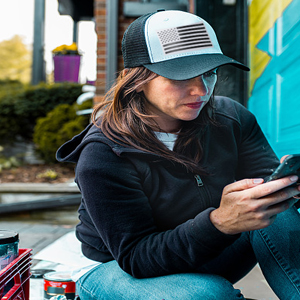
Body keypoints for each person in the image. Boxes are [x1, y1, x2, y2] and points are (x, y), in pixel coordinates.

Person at [56, 10, 300, 300]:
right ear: (136, 78)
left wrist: (289, 187)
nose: (201, 90)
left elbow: (269, 189)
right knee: (205, 295)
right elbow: (136, 257)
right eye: (181, 75)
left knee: (278, 208)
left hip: (202, 249)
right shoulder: (104, 153)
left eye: (208, 73)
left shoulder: (232, 118)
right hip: (117, 268)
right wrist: (219, 222)